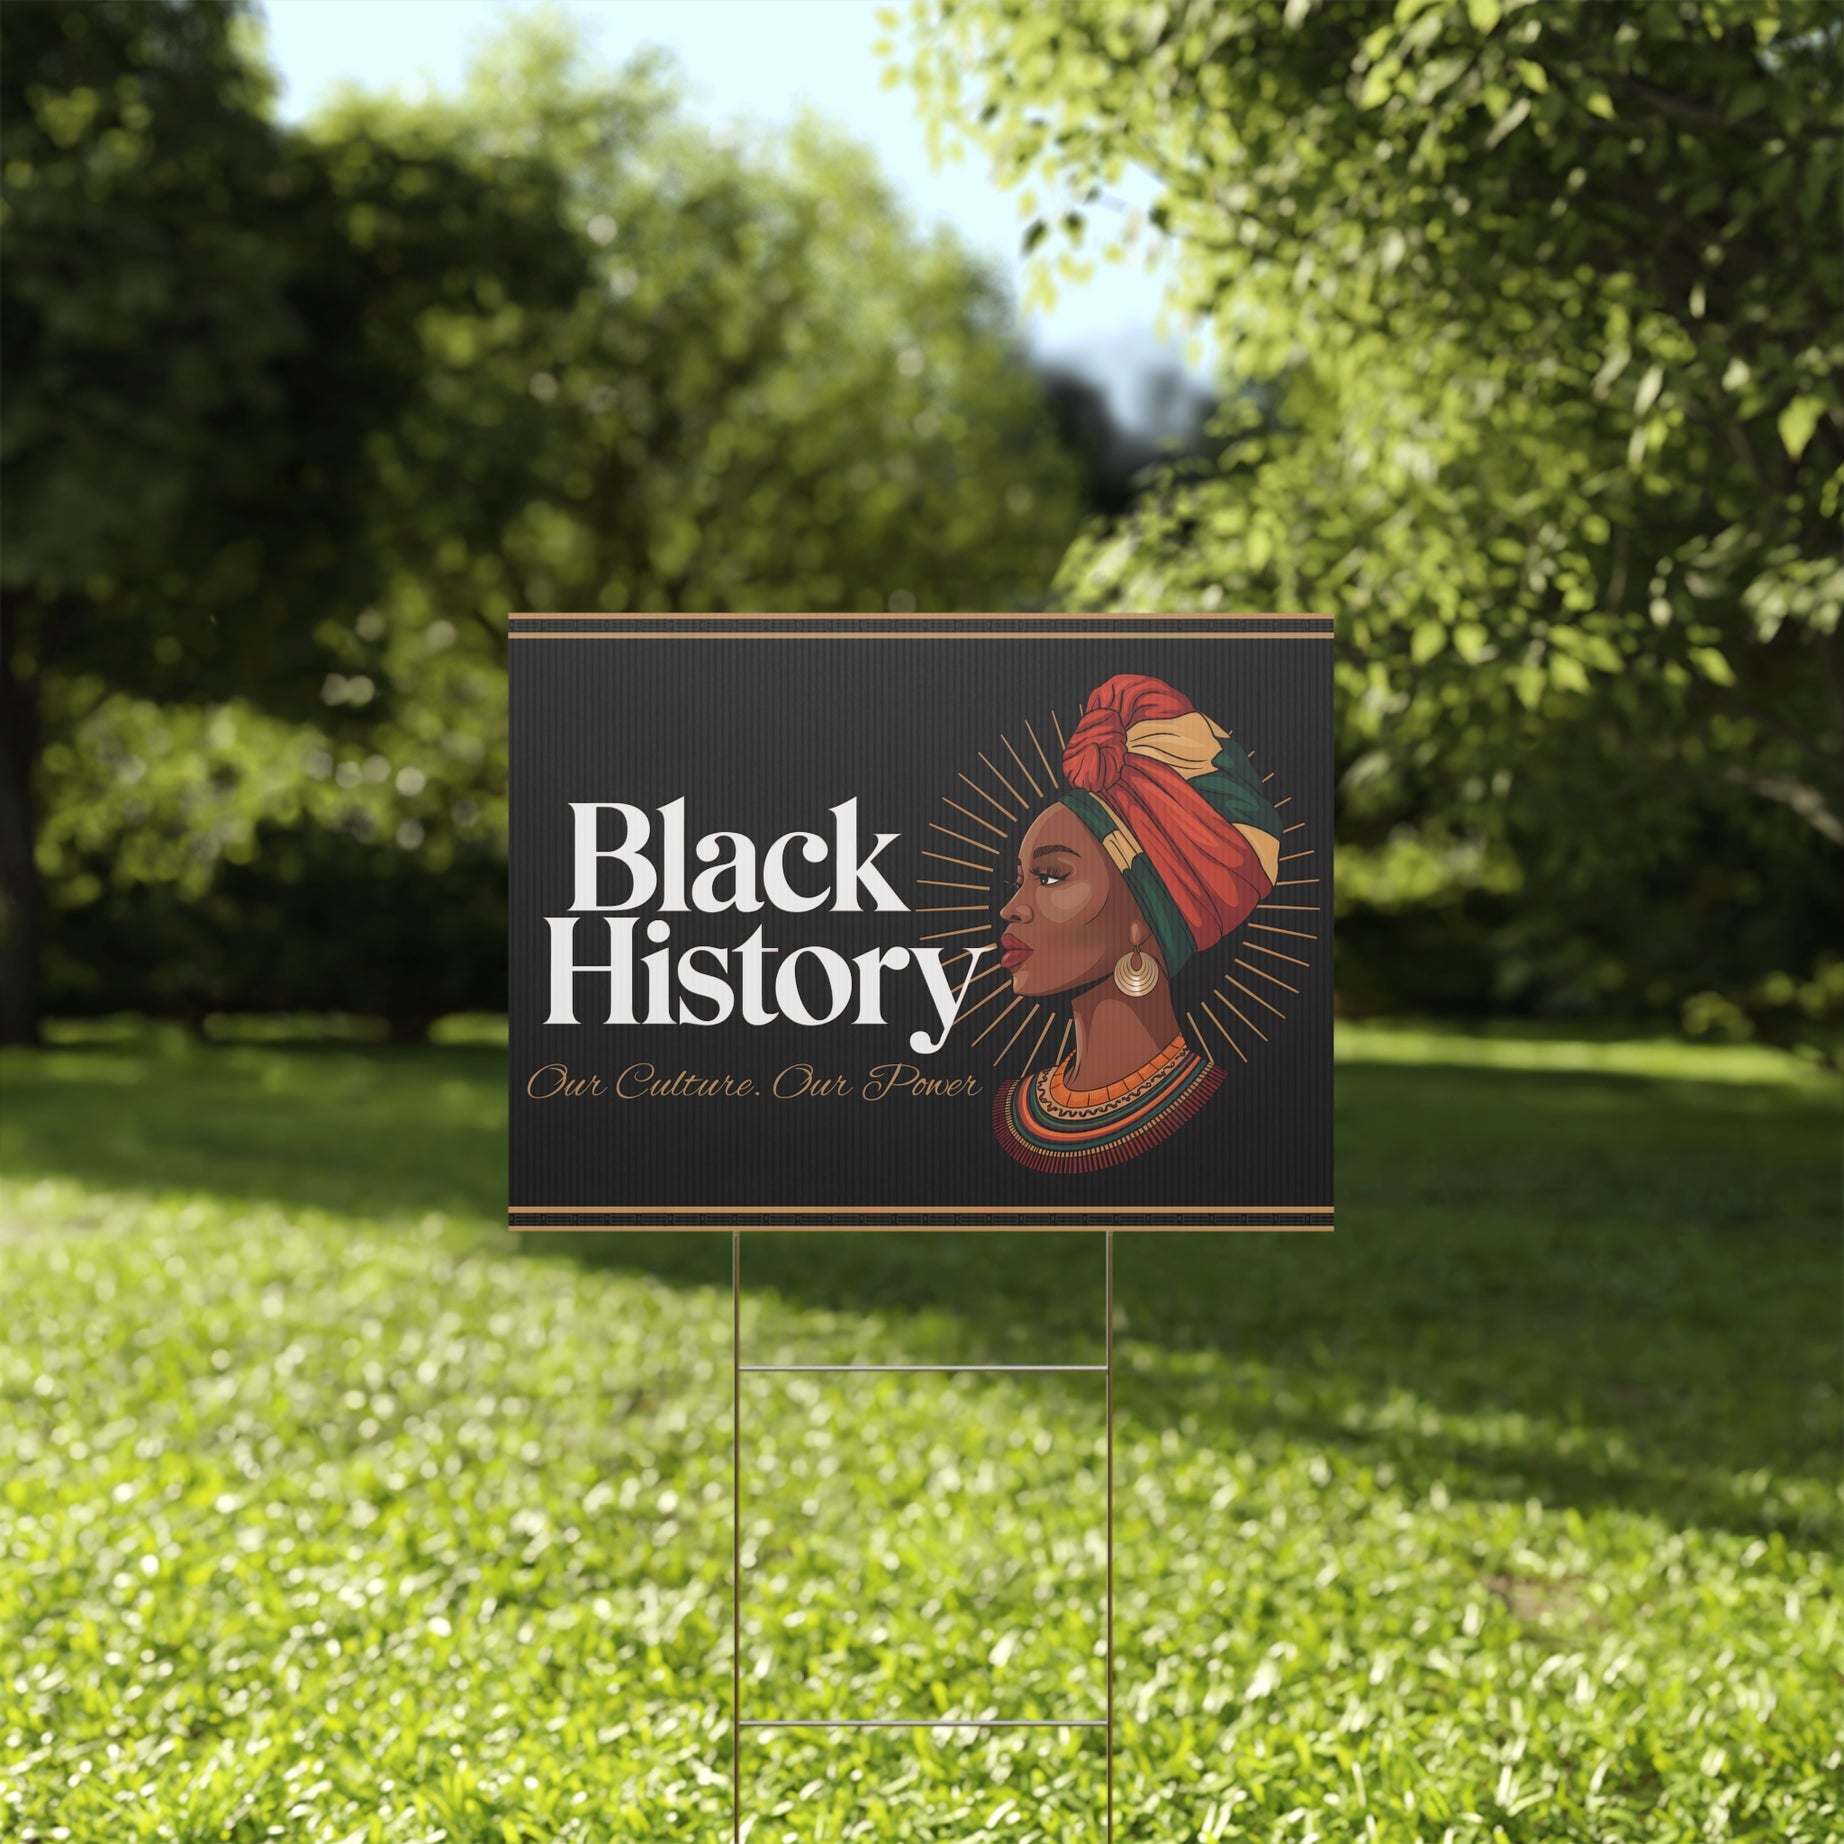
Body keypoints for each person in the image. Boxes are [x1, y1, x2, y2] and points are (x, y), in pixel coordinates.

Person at [993, 672, 1281, 1172]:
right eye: (1020, 879)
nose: (1013, 907)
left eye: (1053, 876)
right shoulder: (1008, 1110)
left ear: (1145, 917)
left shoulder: (1232, 1121)